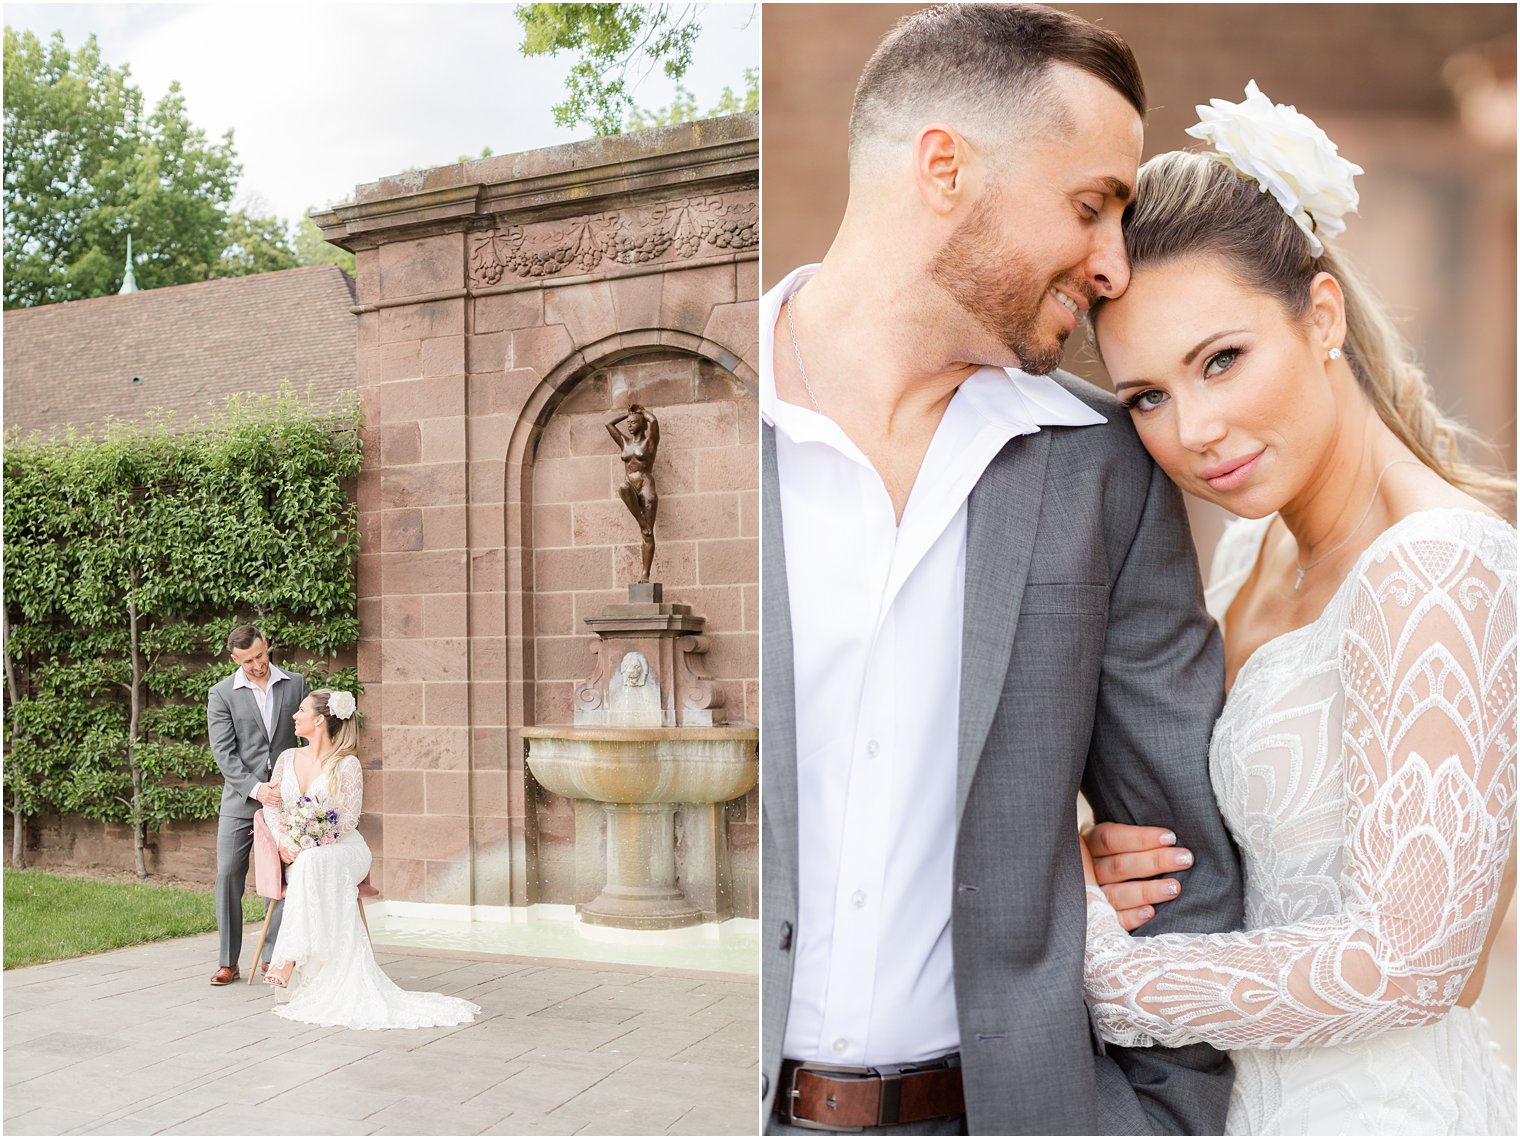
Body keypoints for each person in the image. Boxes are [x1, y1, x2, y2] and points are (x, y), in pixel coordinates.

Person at [761, 6, 1245, 1133]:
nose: (1112, 263)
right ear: (943, 166)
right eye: (1089, 207)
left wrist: (1160, 1117)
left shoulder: (1102, 471)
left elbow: (1182, 857)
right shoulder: (710, 422)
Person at [1080, 83, 1517, 1135]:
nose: (1192, 429)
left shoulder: (1435, 568)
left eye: (1220, 359)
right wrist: (1107, 863)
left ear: (1318, 315)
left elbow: (1415, 965)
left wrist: (1097, 968)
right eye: (1145, 394)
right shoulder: (1246, 552)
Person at [261, 688, 480, 1030]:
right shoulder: (287, 758)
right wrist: (284, 840)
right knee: (309, 864)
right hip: (305, 852)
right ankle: (294, 957)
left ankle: (288, 957)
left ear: (319, 720)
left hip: (346, 849)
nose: (294, 715)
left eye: (301, 711)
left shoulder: (347, 764)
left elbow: (348, 820)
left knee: (312, 863)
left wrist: (311, 839)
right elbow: (272, 804)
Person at [206, 624, 306, 985]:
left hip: (285, 801)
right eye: (248, 661)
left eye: (260, 656)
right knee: (229, 872)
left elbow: (306, 738)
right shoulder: (221, 694)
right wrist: (254, 789)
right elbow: (224, 753)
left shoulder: (296, 684)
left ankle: (272, 956)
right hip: (240, 800)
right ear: (234, 659)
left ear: (267, 646)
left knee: (281, 876)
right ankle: (227, 962)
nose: (257, 665)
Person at [606, 404, 660, 582]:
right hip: (630, 483)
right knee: (623, 487)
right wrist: (628, 414)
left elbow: (653, 421)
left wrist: (642, 412)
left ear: (642, 424)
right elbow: (609, 424)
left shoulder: (649, 442)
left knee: (648, 533)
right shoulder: (625, 442)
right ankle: (641, 521)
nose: (629, 425)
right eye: (628, 423)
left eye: (634, 422)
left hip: (645, 484)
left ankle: (645, 574)